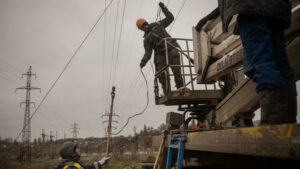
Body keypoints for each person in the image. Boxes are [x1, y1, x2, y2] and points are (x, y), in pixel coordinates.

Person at [218, 0, 297, 125]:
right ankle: (288, 120)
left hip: (250, 7)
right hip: (278, 9)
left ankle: (274, 123)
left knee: (262, 62)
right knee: (281, 64)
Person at [137, 2, 184, 95]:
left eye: (144, 25)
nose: (144, 27)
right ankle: (167, 93)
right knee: (162, 74)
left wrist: (163, 8)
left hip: (171, 48)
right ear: (141, 29)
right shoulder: (146, 40)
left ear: (146, 23)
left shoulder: (158, 25)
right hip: (160, 54)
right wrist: (143, 61)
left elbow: (170, 18)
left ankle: (181, 89)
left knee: (177, 71)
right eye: (142, 27)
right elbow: (148, 53)